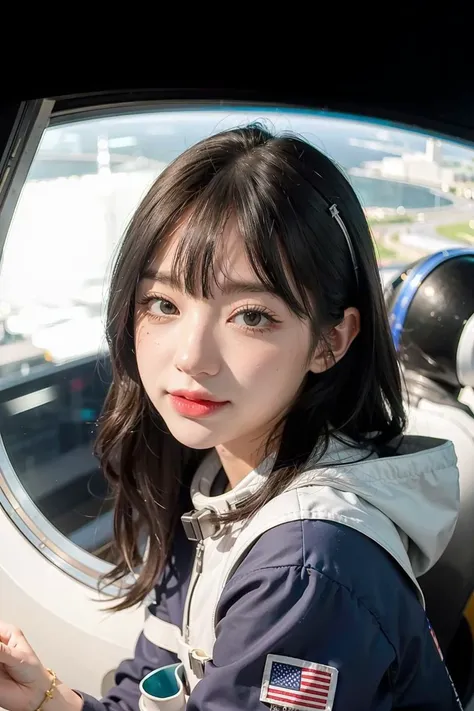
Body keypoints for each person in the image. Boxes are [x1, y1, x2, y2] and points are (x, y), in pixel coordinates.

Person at [0, 124, 463, 710]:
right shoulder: (218, 488)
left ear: (331, 340)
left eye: (250, 316)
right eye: (164, 304)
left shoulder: (304, 568)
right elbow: (151, 685)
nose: (191, 357)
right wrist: (44, 698)